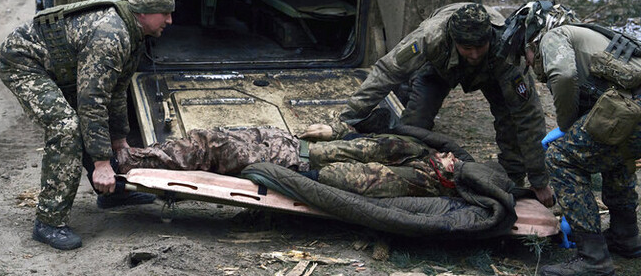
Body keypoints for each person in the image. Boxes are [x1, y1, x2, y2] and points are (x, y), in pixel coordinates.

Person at [497, 1, 641, 276]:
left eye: (528, 55)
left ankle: (592, 258)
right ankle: (625, 236)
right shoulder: (592, 37)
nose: (530, 62)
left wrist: (567, 125)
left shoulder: (555, 35)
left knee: (560, 157)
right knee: (609, 147)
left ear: (534, 38)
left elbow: (564, 75)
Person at [0, 0, 175, 250]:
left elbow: (116, 92)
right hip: (25, 62)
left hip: (60, 68)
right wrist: (102, 162)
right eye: (165, 13)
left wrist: (119, 140)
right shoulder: (111, 35)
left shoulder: (135, 33)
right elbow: (92, 101)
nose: (170, 20)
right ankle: (49, 221)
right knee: (66, 127)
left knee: (90, 124)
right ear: (144, 12)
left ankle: (112, 194)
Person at [339, 2, 554, 207]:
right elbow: (387, 72)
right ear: (453, 39)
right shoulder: (430, 36)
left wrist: (539, 181)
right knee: (415, 123)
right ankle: (407, 174)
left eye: (480, 46)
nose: (474, 54)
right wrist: (349, 117)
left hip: (492, 70)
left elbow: (528, 116)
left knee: (510, 123)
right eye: (467, 48)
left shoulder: (507, 48)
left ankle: (511, 182)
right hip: (439, 68)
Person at [116, 122, 461, 199]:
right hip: (293, 143)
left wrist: (306, 176)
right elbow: (363, 140)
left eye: (453, 163)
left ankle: (127, 162)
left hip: (295, 161)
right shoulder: (417, 150)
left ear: (448, 177)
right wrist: (333, 128)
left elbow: (356, 181)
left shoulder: (418, 178)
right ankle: (135, 157)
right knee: (213, 135)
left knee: (211, 146)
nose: (449, 156)